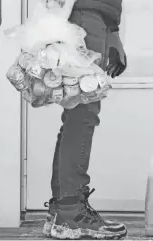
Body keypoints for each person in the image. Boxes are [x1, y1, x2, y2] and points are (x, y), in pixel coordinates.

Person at [43, 0, 127, 239]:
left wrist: (112, 30)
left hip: (92, 15)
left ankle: (62, 208)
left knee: (77, 112)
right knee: (82, 113)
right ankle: (70, 212)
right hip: (82, 14)